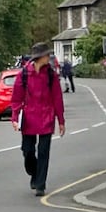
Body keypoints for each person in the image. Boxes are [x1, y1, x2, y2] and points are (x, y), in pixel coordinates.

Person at [10, 41, 66, 197]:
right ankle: (34, 172)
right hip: (28, 118)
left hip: (46, 117)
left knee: (43, 152)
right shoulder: (24, 74)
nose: (49, 57)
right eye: (47, 55)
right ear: (40, 57)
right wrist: (15, 117)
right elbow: (16, 98)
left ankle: (40, 184)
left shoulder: (51, 75)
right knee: (27, 151)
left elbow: (57, 99)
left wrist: (61, 121)